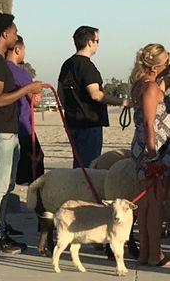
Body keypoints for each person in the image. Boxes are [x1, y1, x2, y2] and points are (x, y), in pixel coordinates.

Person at [0, 14, 43, 255]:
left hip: (8, 131)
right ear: (5, 34)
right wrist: (26, 89)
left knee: (6, 185)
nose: (16, 36)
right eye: (14, 31)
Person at [58, 26, 129, 168]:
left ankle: (77, 189)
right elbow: (95, 94)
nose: (98, 44)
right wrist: (123, 102)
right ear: (89, 42)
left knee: (78, 165)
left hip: (73, 122)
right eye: (97, 40)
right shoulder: (87, 66)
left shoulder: (67, 64)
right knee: (89, 167)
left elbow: (60, 91)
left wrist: (70, 110)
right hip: (89, 123)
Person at [129, 43, 170, 267]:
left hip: (140, 147)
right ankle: (155, 254)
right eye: (165, 62)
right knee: (154, 204)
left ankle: (145, 253)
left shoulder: (141, 84)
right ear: (155, 66)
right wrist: (154, 154)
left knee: (144, 203)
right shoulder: (151, 87)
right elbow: (149, 122)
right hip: (152, 148)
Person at [6, 35, 45, 185]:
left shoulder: (1, 69)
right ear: (18, 49)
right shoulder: (21, 73)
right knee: (36, 162)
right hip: (24, 126)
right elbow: (34, 100)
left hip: (7, 126)